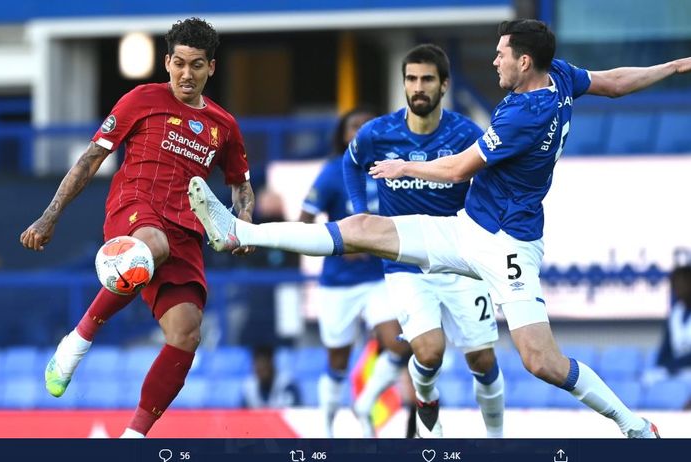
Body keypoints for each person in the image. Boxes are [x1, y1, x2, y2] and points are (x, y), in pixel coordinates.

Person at [188, 19, 691, 438]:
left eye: (501, 54)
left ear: (523, 62)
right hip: (465, 227)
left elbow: (456, 170)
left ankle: (634, 426)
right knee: (363, 226)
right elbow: (615, 82)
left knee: (542, 361)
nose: (494, 61)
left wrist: (404, 167)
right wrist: (672, 65)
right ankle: (238, 232)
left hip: (508, 246)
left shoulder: (521, 113)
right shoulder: (557, 75)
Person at [20, 17, 254, 438]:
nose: (187, 74)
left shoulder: (224, 126)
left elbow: (241, 186)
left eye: (197, 65)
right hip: (135, 208)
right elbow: (90, 160)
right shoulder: (141, 99)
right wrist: (50, 215)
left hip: (186, 232)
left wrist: (246, 225)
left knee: (185, 333)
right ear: (167, 62)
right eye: (179, 63)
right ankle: (77, 341)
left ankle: (133, 437)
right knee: (151, 245)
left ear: (211, 69)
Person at [343, 44, 504, 438]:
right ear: (403, 84)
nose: (418, 87)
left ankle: (498, 441)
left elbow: (493, 180)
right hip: (406, 263)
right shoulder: (378, 133)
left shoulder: (466, 133)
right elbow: (351, 163)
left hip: (460, 257)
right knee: (428, 351)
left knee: (482, 359)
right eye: (411, 79)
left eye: (427, 79)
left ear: (444, 85)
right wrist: (361, 212)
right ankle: (426, 397)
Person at [299, 107, 412, 438]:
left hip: (381, 278)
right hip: (338, 284)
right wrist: (340, 242)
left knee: (400, 344)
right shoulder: (333, 172)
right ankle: (327, 426)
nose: (360, 131)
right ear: (343, 134)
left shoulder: (390, 170)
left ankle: (365, 403)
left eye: (367, 126)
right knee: (337, 360)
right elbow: (304, 221)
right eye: (354, 126)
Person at [644, 265, 691, 409]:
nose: (677, 288)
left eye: (681, 283)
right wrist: (668, 366)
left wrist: (675, 364)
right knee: (649, 377)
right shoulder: (676, 313)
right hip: (676, 369)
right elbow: (664, 352)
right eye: (674, 284)